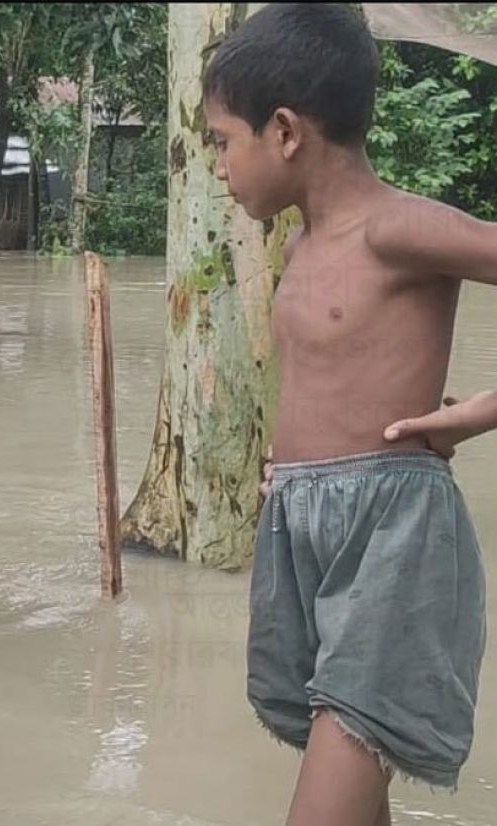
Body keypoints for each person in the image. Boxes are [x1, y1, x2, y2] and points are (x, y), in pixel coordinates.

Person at [208, 6, 497, 824]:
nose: (221, 168)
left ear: (286, 132)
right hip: (304, 531)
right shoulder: (301, 245)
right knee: (346, 784)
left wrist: (480, 411)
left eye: (225, 142)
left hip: (394, 540)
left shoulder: (397, 228)